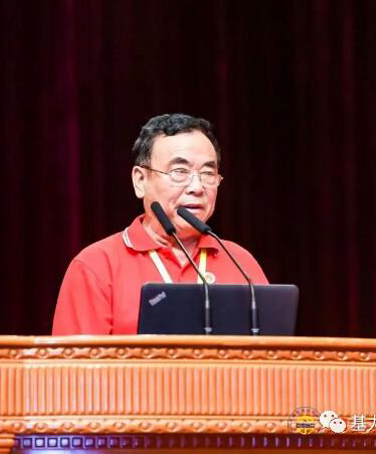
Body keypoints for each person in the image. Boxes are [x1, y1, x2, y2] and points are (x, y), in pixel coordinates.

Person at [52, 113, 268, 334]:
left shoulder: (240, 263)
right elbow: (76, 357)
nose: (197, 187)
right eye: (179, 172)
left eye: (207, 173)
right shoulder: (97, 265)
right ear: (140, 181)